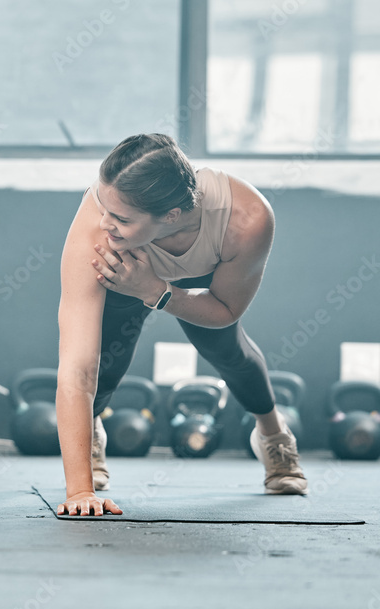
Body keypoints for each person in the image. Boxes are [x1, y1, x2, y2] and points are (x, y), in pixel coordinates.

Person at [55, 133, 308, 516]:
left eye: (121, 218)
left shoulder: (246, 219)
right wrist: (79, 493)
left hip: (196, 280)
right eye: (101, 204)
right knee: (105, 363)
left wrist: (156, 290)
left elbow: (225, 310)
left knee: (227, 351)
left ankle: (273, 434)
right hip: (123, 275)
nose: (104, 222)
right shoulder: (99, 228)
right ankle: (89, 434)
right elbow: (77, 368)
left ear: (171, 216)